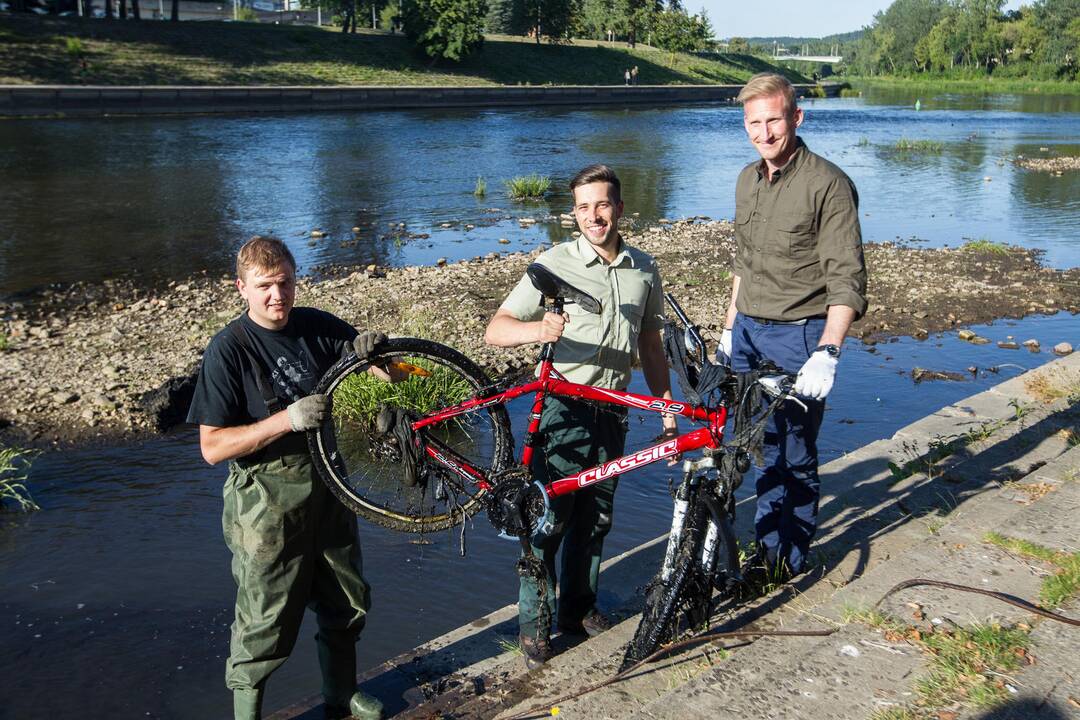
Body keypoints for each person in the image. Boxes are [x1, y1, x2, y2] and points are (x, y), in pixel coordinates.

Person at [187, 236, 386, 720]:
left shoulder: (316, 326)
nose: (278, 296)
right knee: (264, 620)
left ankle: (340, 694)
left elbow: (393, 375)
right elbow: (212, 448)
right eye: (264, 286)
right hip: (265, 506)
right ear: (242, 288)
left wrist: (377, 354)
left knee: (347, 600)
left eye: (286, 283)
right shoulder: (228, 350)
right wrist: (287, 420)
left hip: (330, 490)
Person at [485, 164, 676, 669]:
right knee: (547, 521)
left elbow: (651, 345)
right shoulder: (552, 264)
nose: (595, 216)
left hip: (614, 411)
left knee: (596, 520)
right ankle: (533, 627)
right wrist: (538, 332)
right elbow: (496, 329)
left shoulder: (643, 268)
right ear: (574, 214)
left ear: (619, 206)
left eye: (604, 204)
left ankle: (578, 610)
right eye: (584, 207)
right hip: (561, 412)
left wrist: (665, 406)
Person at [718, 73, 867, 582]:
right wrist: (728, 327)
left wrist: (829, 350)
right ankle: (763, 549)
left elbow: (846, 278)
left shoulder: (828, 183)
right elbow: (743, 263)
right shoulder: (746, 179)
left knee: (795, 453)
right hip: (747, 334)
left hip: (799, 335)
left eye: (773, 120)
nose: (764, 133)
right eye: (754, 123)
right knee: (757, 449)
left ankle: (788, 561)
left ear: (796, 117)